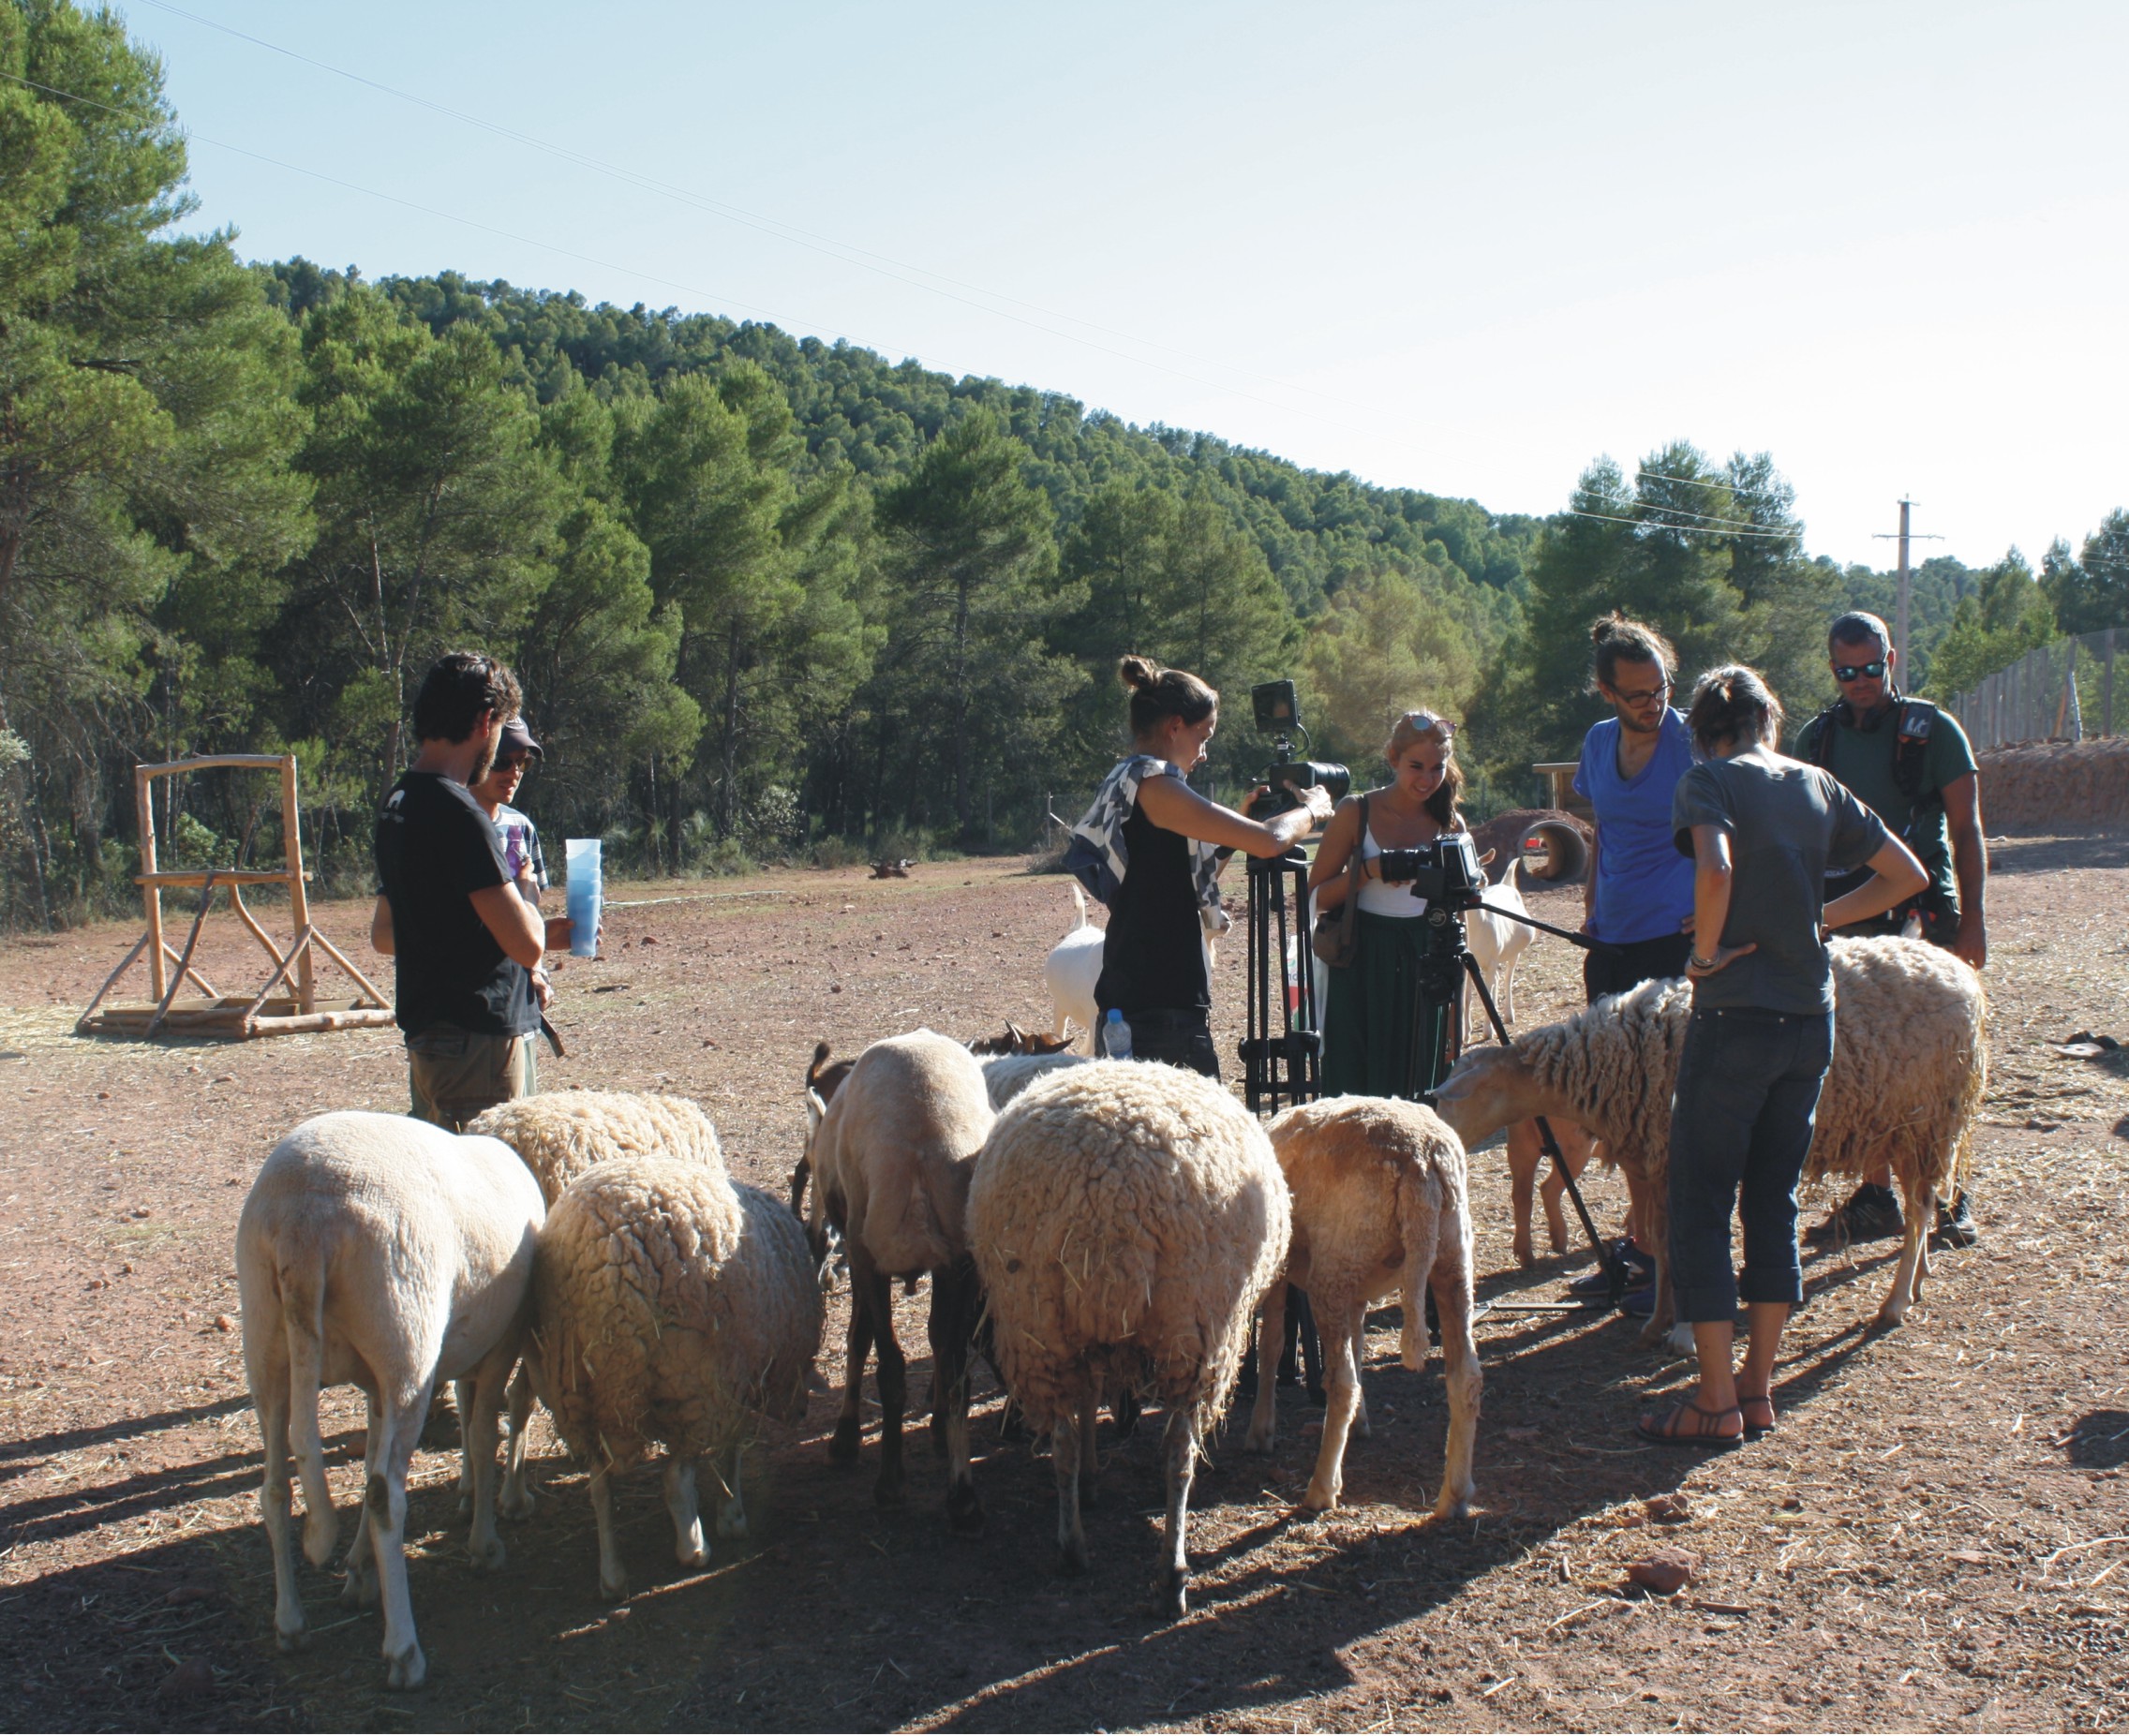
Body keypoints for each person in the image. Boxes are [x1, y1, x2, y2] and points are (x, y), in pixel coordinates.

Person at [1638, 665, 1926, 1447]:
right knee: (1773, 1196)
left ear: (1703, 728)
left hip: (1734, 1018)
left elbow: (1716, 869)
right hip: (1811, 1019)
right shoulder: (1819, 784)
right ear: (1771, 717)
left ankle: (1711, 1397)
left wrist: (1704, 955)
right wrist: (1816, 920)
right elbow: (1907, 874)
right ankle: (1759, 1391)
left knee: (1700, 1200)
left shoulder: (1709, 782)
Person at [1795, 611, 1988, 1249]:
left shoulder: (1934, 733)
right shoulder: (1817, 739)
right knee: (1858, 1056)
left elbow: (1966, 830)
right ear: (1833, 669)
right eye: (1846, 671)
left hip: (1921, 908)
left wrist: (1974, 921)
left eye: (1870, 668)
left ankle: (1947, 1190)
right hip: (1846, 911)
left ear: (1892, 659)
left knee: (1937, 1054)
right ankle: (1877, 1190)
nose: (1860, 681)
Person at [1068, 656, 1334, 1076]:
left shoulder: (1128, 779)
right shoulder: (1155, 785)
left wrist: (1235, 827)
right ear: (1175, 727)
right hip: (1160, 1012)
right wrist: (1314, 811)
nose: (1205, 753)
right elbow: (1270, 841)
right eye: (1203, 736)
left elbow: (1181, 880)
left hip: (1139, 1002)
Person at [1558, 613, 1701, 1304]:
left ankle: (1668, 1254)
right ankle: (1642, 1246)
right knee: (1621, 1106)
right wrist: (1590, 908)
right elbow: (1604, 831)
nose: (1656, 702)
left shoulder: (1694, 740)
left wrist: (1714, 906)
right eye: (1639, 693)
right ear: (1607, 692)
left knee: (1668, 1111)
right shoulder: (1597, 743)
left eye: (1662, 687)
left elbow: (1730, 826)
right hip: (1610, 940)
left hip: (1675, 944)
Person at [371, 654, 573, 1131]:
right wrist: (523, 888)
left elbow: (411, 928)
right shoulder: (460, 813)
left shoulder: (399, 801)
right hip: (476, 1043)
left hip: (431, 1038)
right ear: (486, 721)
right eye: (503, 730)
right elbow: (526, 944)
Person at [1307, 708, 1466, 1099]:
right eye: (1416, 766)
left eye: (1437, 768)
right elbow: (1315, 895)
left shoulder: (1451, 823)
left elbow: (1461, 910)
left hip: (1427, 955)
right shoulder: (1355, 811)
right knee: (1354, 1077)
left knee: (1418, 1078)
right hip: (1361, 954)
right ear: (1393, 758)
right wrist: (1370, 870)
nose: (1427, 779)